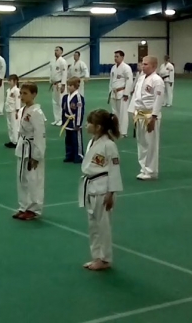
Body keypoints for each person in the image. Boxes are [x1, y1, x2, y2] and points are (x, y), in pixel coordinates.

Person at [79, 109, 122, 271]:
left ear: (98, 127)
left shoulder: (109, 145)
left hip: (103, 190)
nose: (86, 125)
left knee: (103, 226)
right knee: (93, 225)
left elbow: (115, 170)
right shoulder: (92, 142)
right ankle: (96, 256)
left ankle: (105, 258)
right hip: (91, 187)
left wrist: (111, 193)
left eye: (89, 123)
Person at [14, 82, 46, 221]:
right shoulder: (23, 110)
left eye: (25, 93)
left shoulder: (37, 112)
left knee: (34, 180)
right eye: (21, 93)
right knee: (22, 179)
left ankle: (34, 209)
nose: (22, 96)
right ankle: (23, 206)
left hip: (33, 148)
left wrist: (37, 156)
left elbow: (40, 135)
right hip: (23, 147)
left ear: (34, 94)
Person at [131, 56, 165, 180]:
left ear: (154, 66)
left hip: (150, 115)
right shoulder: (141, 78)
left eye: (146, 64)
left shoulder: (157, 80)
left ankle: (151, 171)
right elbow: (136, 96)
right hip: (139, 114)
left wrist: (154, 117)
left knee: (151, 144)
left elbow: (158, 99)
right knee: (141, 143)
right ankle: (143, 169)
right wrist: (133, 111)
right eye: (142, 64)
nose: (143, 66)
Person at [108, 50, 134, 137]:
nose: (115, 58)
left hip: (122, 93)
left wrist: (126, 93)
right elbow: (111, 81)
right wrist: (110, 91)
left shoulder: (126, 68)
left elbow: (129, 81)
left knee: (123, 113)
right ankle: (116, 129)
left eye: (117, 56)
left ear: (122, 57)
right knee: (115, 113)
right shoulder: (113, 68)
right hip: (114, 92)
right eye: (114, 56)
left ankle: (123, 132)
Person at [62, 77, 85, 164]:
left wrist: (78, 123)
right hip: (68, 122)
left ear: (76, 86)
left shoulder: (79, 98)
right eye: (68, 85)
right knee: (68, 140)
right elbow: (63, 110)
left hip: (75, 122)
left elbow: (79, 112)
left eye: (70, 85)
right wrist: (63, 122)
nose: (68, 87)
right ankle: (69, 155)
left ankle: (78, 156)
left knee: (76, 140)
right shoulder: (65, 97)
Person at [49, 46, 68, 126]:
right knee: (55, 102)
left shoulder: (63, 61)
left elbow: (64, 73)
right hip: (54, 84)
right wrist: (50, 81)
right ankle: (56, 119)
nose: (55, 51)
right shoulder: (52, 61)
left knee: (61, 102)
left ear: (61, 52)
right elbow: (51, 73)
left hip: (60, 84)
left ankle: (62, 119)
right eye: (55, 50)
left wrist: (63, 84)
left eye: (57, 50)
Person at [4, 74, 21, 148]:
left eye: (10, 80)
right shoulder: (8, 90)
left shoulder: (16, 90)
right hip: (8, 109)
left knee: (14, 126)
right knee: (10, 126)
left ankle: (15, 141)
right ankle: (12, 140)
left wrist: (17, 111)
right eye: (8, 80)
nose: (9, 82)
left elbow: (18, 101)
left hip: (14, 111)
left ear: (15, 81)